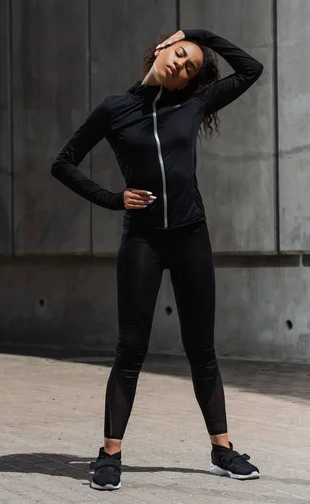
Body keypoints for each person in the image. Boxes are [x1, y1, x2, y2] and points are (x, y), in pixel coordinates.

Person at [51, 28, 263, 490]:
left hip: (190, 236)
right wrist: (112, 198)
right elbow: (63, 163)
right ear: (162, 48)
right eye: (180, 55)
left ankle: (222, 450)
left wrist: (201, 36)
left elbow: (251, 69)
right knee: (131, 348)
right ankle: (109, 456)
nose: (181, 67)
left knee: (201, 349)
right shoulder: (115, 109)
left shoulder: (193, 102)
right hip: (143, 241)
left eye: (190, 68)